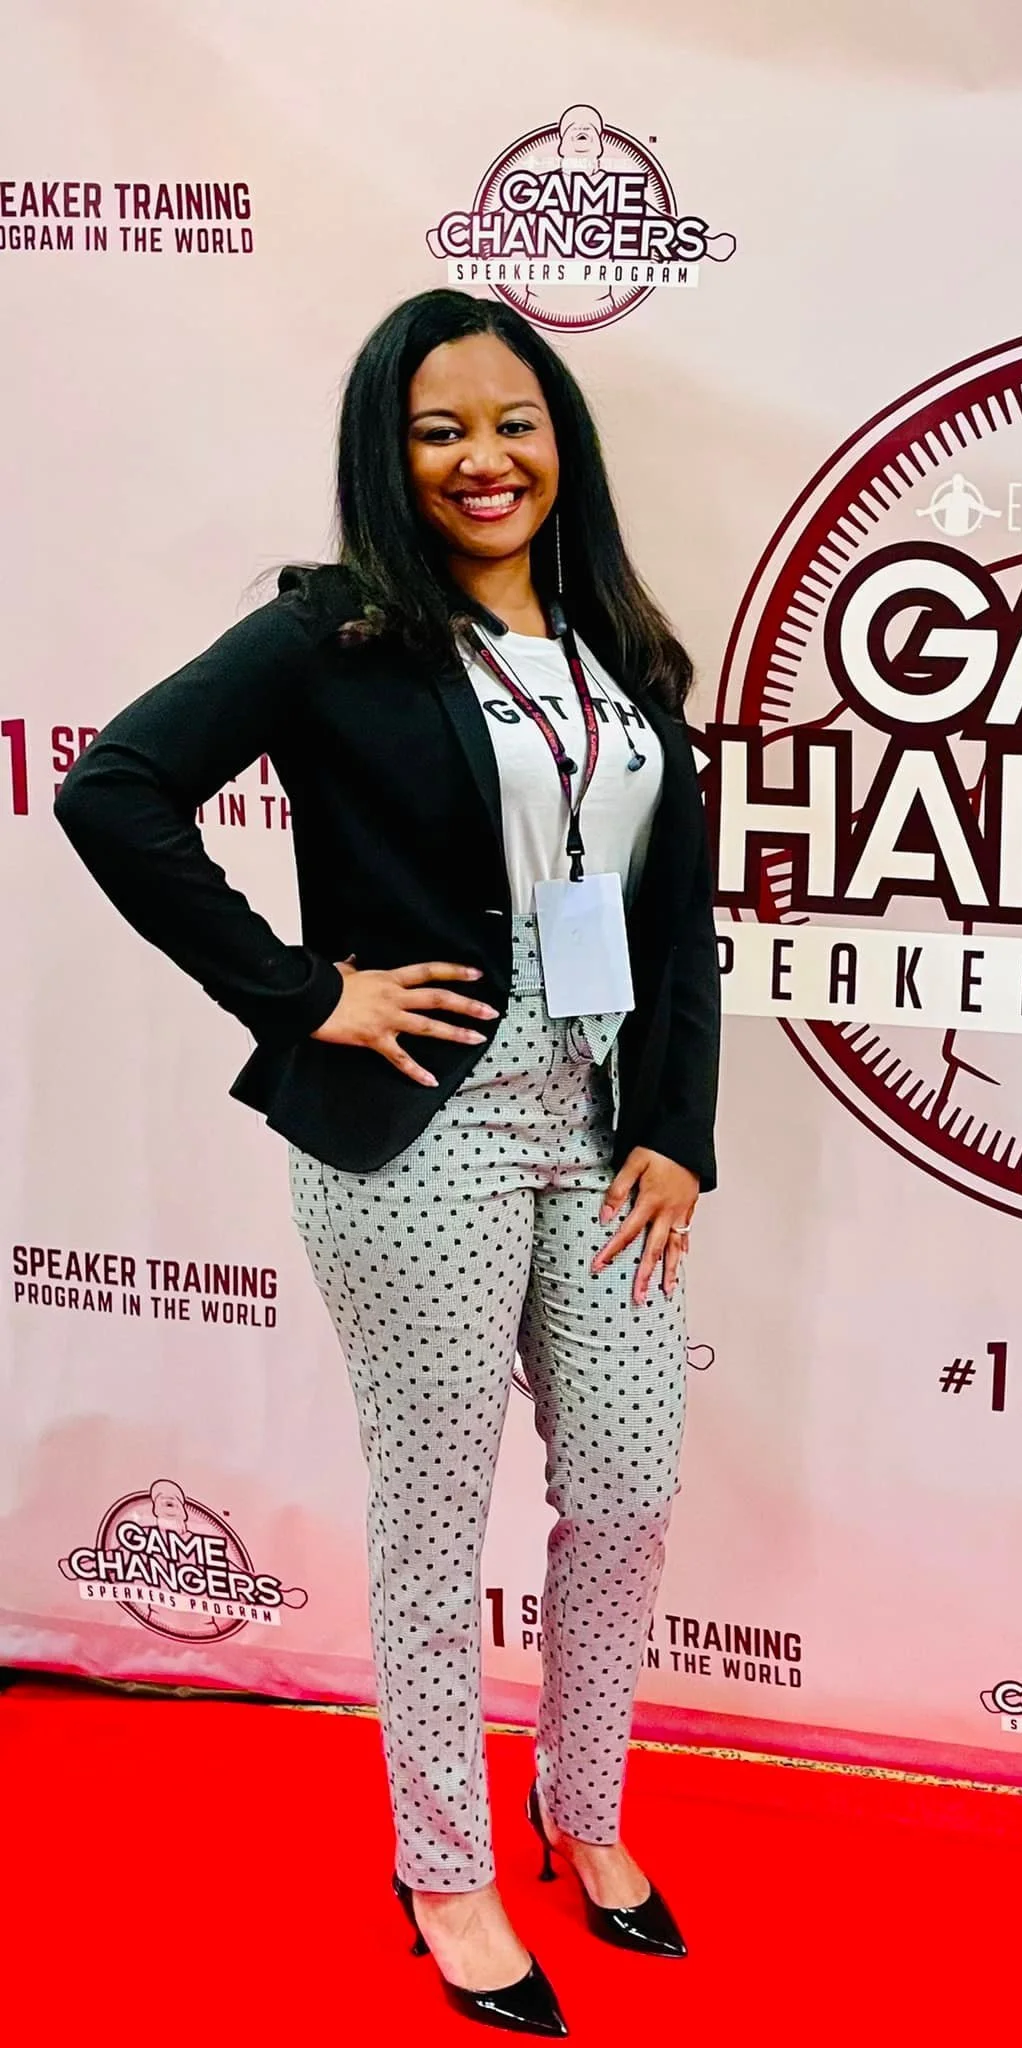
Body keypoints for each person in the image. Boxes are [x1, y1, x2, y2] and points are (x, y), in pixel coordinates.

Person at [56, 288, 720, 2037]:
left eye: (512, 421)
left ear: (558, 434)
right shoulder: (334, 632)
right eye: (438, 431)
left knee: (633, 1491)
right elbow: (114, 791)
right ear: (388, 452)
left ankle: (584, 1813)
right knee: (436, 1524)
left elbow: (673, 916)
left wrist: (676, 1129)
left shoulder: (623, 647)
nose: (483, 459)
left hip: (601, 1131)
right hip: (420, 1120)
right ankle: (443, 1869)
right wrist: (298, 993)